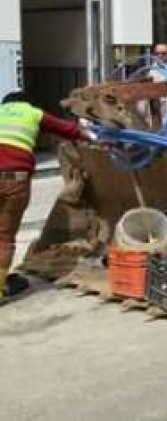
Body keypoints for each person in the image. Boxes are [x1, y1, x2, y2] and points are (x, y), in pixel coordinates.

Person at [0, 91, 90, 301]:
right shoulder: (33, 113)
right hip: (15, 180)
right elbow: (68, 129)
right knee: (3, 237)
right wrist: (97, 138)